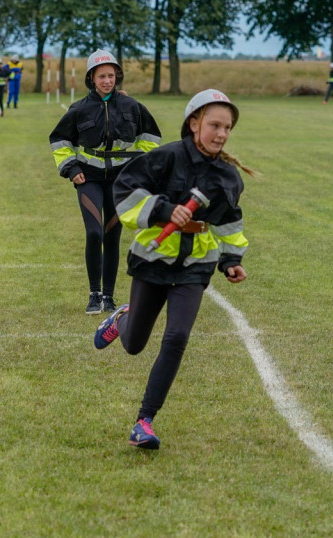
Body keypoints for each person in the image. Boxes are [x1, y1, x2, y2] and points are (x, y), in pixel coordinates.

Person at [93, 89, 251, 450]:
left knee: (177, 337)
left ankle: (143, 422)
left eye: (227, 127)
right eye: (214, 124)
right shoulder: (165, 158)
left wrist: (231, 261)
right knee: (134, 345)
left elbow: (229, 220)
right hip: (153, 259)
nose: (221, 133)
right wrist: (164, 210)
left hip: (195, 266)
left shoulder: (228, 177)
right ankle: (121, 321)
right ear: (194, 123)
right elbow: (126, 189)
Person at [48, 49, 161, 315]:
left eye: (111, 75)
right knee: (94, 232)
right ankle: (93, 294)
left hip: (120, 182)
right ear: (91, 78)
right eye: (102, 76)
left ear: (117, 76)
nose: (107, 81)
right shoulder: (79, 109)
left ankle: (108, 297)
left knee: (112, 236)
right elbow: (60, 141)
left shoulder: (132, 107)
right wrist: (71, 167)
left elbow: (152, 137)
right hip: (89, 178)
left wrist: (137, 167)